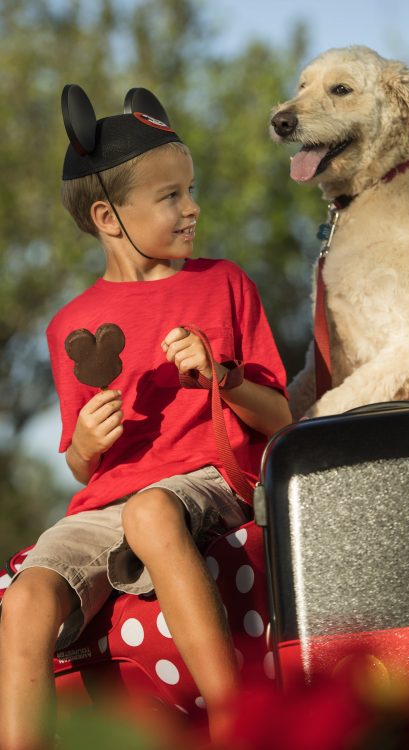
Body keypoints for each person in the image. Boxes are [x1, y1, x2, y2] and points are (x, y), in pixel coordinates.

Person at [0, 85, 291, 749]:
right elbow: (79, 462)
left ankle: (234, 719)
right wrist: (87, 446)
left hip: (204, 484)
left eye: (191, 191)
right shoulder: (70, 326)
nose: (193, 210)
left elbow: (281, 419)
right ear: (108, 216)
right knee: (25, 598)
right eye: (171, 197)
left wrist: (222, 377)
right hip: (103, 505)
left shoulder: (224, 284)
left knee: (150, 512)